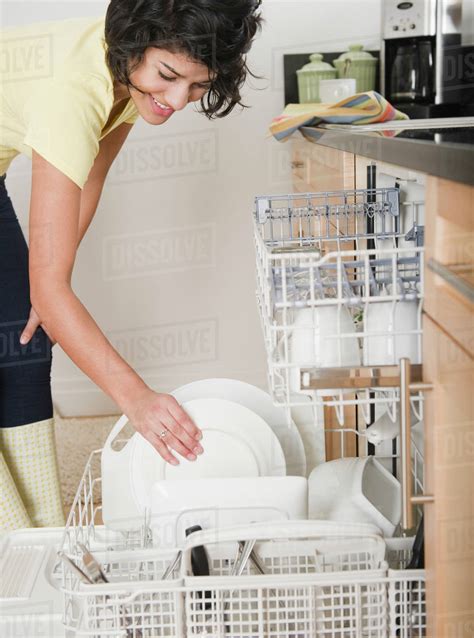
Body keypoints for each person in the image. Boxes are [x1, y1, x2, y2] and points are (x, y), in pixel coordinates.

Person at [0, 0, 263, 530]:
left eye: (195, 86)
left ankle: (42, 534)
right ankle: (10, 535)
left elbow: (89, 178)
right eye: (167, 77)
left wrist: (49, 286)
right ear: (132, 46)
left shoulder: (127, 80)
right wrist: (136, 400)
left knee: (23, 347)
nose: (175, 100)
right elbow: (49, 292)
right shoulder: (73, 92)